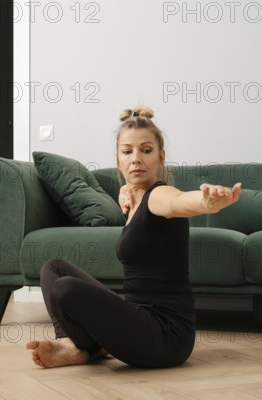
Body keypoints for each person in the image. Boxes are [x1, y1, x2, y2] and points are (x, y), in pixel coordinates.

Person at [25, 106, 242, 368]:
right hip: (138, 319)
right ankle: (75, 345)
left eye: (146, 150)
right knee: (54, 269)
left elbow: (180, 202)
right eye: (127, 152)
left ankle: (86, 348)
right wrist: (126, 190)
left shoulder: (160, 196)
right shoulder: (133, 196)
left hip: (166, 336)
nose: (136, 159)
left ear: (161, 158)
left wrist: (207, 203)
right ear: (118, 160)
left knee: (65, 289)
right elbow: (132, 187)